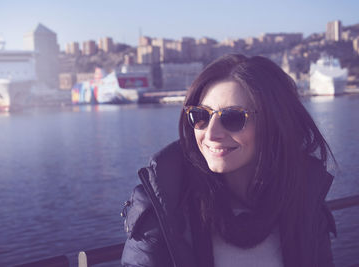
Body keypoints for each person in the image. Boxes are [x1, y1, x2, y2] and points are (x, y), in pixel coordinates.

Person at [121, 54, 336, 267]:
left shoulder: (303, 197)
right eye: (201, 116)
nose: (211, 133)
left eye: (233, 118)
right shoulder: (163, 202)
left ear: (274, 125)